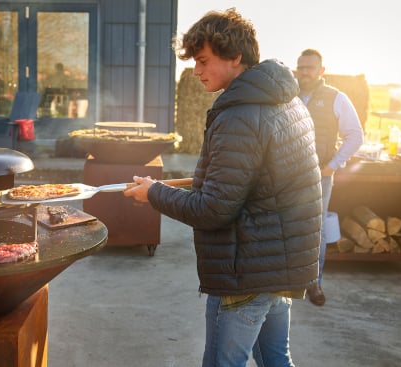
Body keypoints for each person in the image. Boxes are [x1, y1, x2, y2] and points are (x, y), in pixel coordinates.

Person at [123, 8, 322, 367]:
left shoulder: (240, 116)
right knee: (277, 360)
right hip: (279, 266)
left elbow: (213, 209)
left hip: (245, 271)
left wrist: (153, 193)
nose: (196, 71)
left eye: (203, 61)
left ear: (235, 57)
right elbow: (256, 183)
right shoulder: (287, 100)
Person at [295, 49, 364, 306]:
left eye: (310, 67)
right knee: (286, 225)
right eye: (301, 67)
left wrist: (334, 165)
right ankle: (286, 281)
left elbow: (355, 134)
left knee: (317, 229)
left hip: (319, 176)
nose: (304, 72)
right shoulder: (288, 96)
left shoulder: (336, 98)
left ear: (321, 70)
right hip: (288, 175)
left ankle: (314, 283)